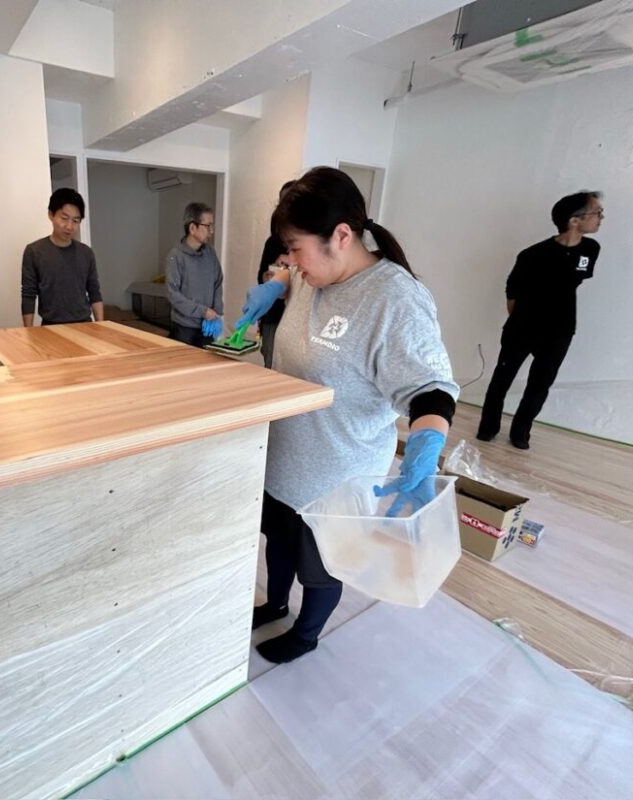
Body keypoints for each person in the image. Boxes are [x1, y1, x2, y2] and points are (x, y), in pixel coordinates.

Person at [236, 167, 459, 664]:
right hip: (285, 458)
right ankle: (275, 603)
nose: (291, 261)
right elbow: (290, 274)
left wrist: (423, 453)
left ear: (340, 236)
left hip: (335, 477)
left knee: (321, 567)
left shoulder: (394, 299)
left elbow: (431, 391)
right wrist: (275, 283)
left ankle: (307, 633)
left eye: (295, 249)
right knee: (279, 543)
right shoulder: (311, 273)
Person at [476, 191, 603, 449]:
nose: (600, 218)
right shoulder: (533, 255)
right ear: (574, 220)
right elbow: (512, 292)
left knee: (540, 384)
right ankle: (488, 428)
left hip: (561, 330)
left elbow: (575, 280)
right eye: (596, 213)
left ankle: (521, 433)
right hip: (523, 327)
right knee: (502, 379)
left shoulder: (591, 249)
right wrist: (523, 321)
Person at [21, 188, 104, 326]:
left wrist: (101, 326)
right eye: (64, 218)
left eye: (76, 221)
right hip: (51, 326)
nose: (69, 226)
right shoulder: (34, 251)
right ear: (51, 215)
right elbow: (28, 295)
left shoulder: (86, 253)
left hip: (85, 325)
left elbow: (94, 292)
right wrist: (28, 331)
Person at [164, 202, 224, 346]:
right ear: (192, 228)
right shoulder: (175, 256)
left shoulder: (210, 253)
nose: (211, 231)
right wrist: (203, 311)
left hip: (207, 326)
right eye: (207, 226)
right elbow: (173, 294)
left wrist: (216, 310)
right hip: (184, 329)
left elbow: (218, 281)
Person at [256, 181, 296, 368]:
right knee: (271, 364)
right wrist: (268, 279)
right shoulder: (272, 242)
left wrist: (291, 265)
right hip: (273, 315)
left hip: (296, 319)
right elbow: (261, 278)